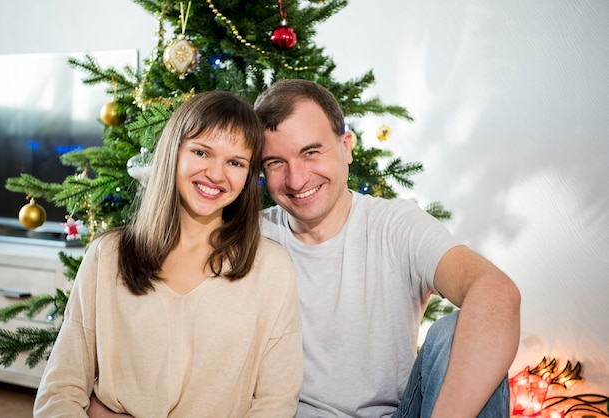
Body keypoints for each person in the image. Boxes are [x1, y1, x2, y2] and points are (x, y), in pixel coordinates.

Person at [254, 79, 521, 418]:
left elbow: (497, 293)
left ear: (346, 145)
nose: (296, 179)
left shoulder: (394, 225)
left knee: (458, 331)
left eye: (311, 152)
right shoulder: (253, 237)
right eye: (276, 162)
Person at [33, 90, 303, 418]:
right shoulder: (108, 256)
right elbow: (60, 389)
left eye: (235, 162)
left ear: (248, 176)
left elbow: (275, 403)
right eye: (202, 152)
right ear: (173, 153)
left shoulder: (271, 268)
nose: (216, 174)